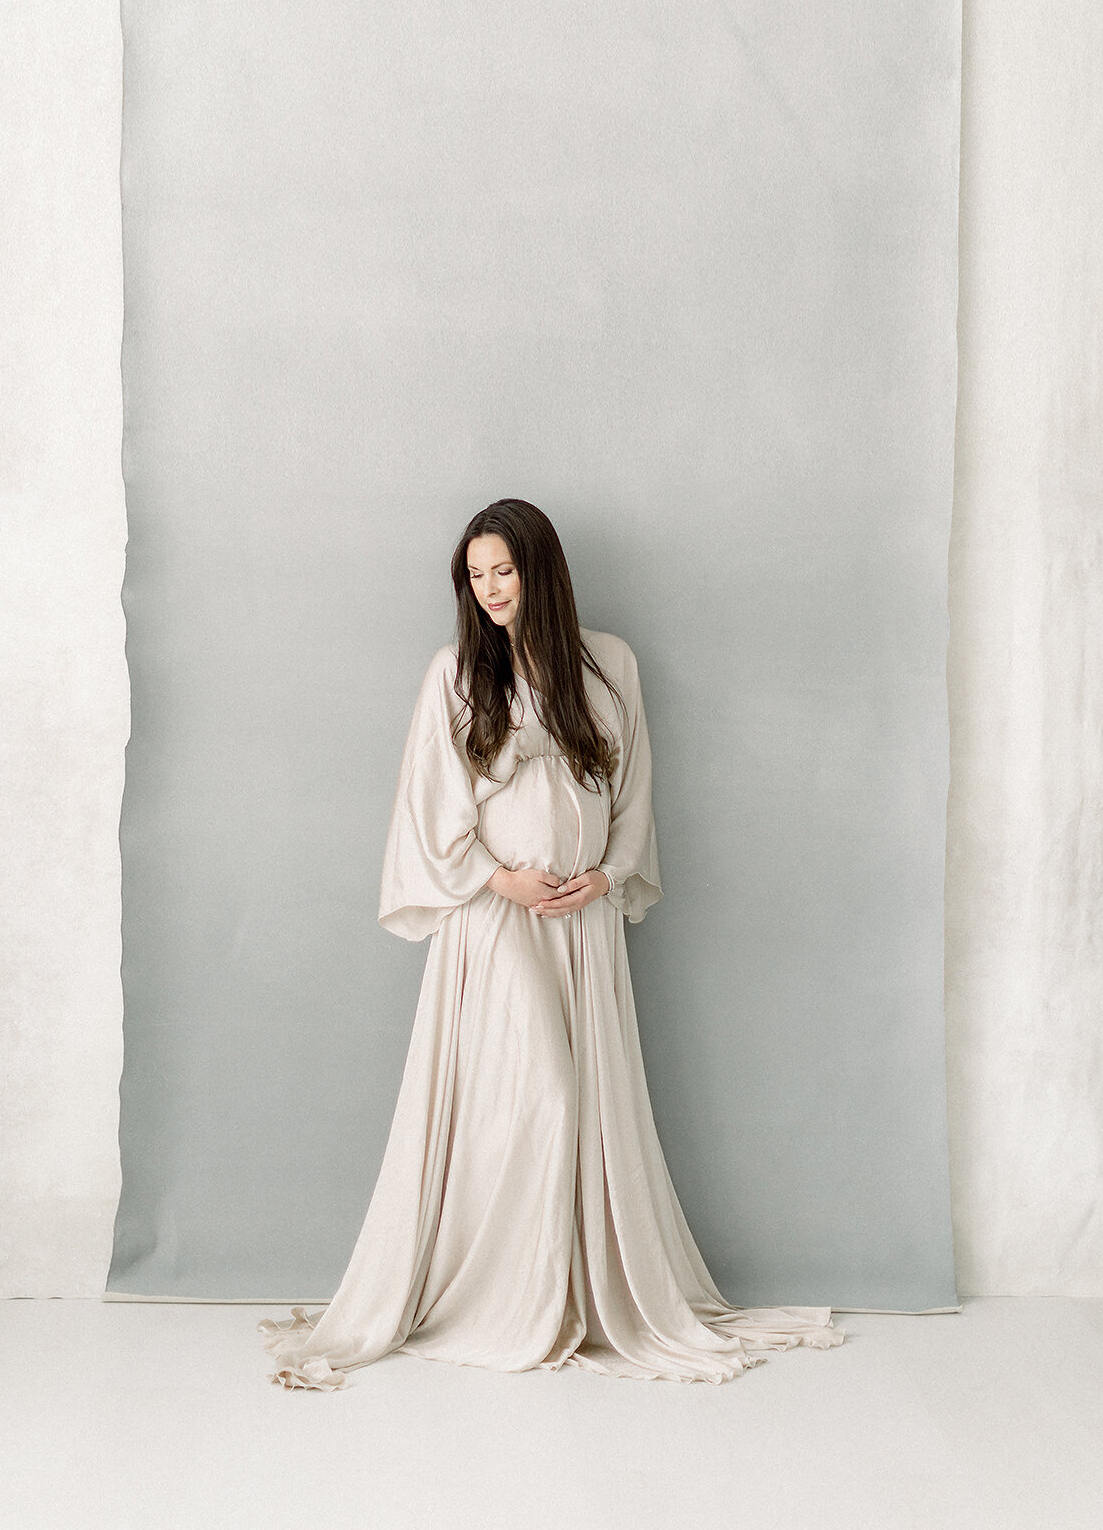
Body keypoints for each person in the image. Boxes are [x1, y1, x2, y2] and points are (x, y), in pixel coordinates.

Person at [258, 498, 844, 1388]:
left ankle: (569, 1296)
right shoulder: (456, 673)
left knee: (588, 1119)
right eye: (475, 575)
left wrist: (603, 878)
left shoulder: (609, 664)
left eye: (504, 569)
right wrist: (504, 881)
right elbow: (426, 815)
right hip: (498, 918)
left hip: (585, 923)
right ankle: (506, 1301)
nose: (490, 589)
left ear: (541, 568)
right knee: (542, 1098)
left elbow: (636, 791)